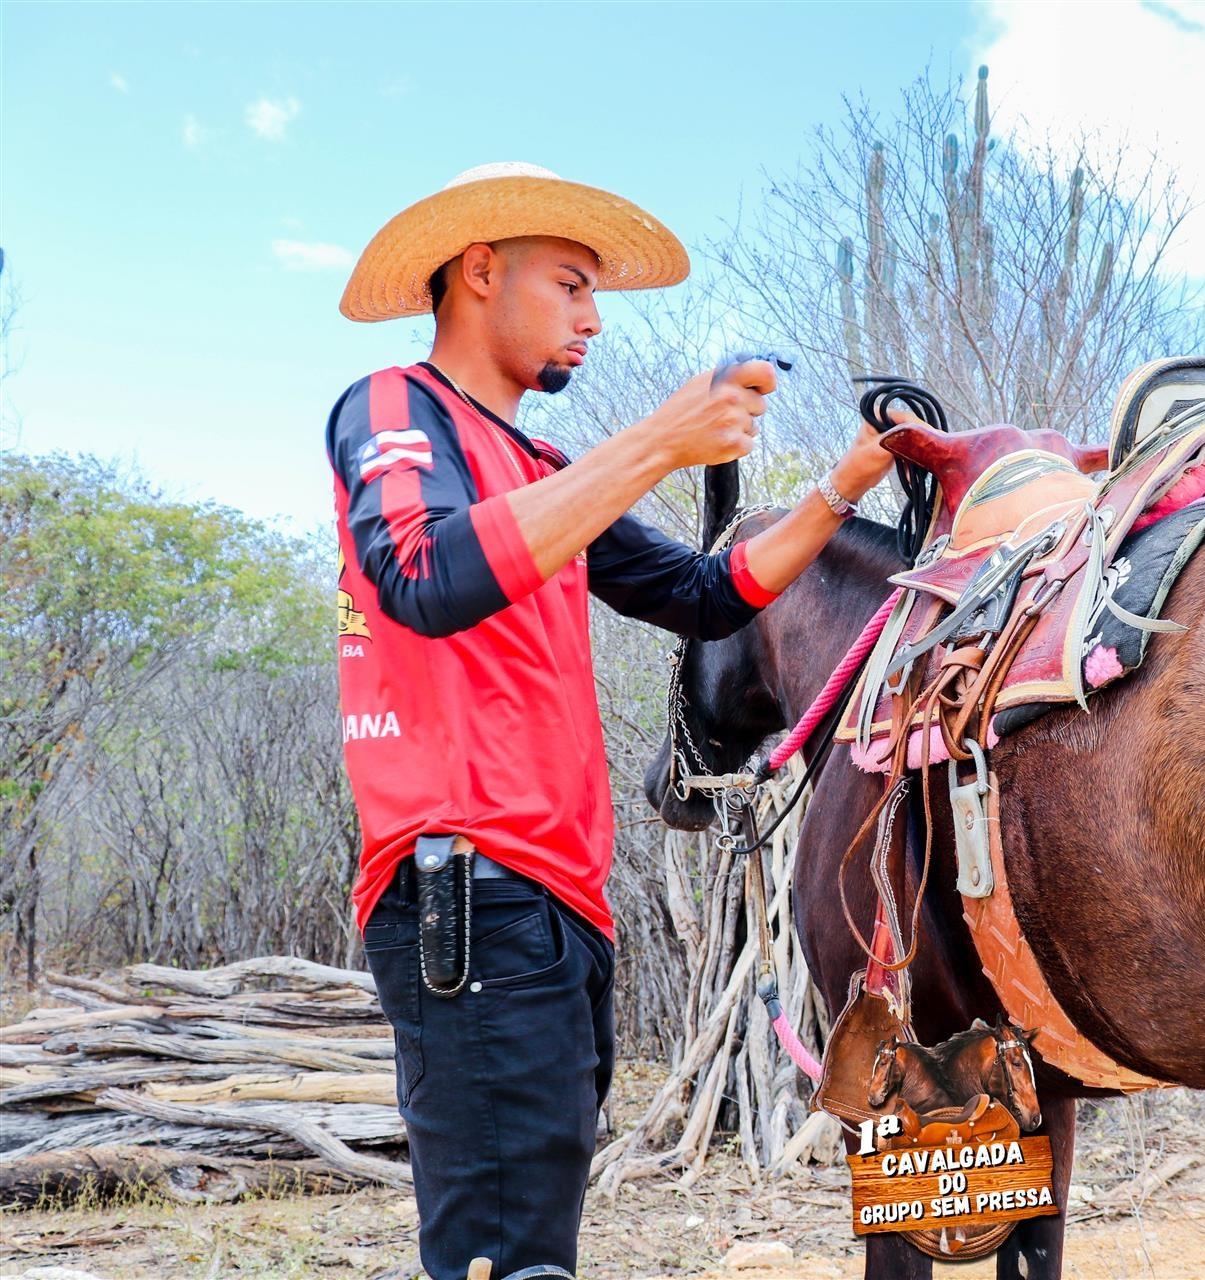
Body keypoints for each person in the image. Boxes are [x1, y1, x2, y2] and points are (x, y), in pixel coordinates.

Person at [330, 162, 895, 1280]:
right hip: (471, 887)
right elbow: (423, 573)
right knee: (506, 1256)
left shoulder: (546, 468)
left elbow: (706, 593)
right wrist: (659, 440)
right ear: (479, 270)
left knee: (534, 1240)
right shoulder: (392, 406)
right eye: (571, 284)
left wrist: (845, 483)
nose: (592, 319)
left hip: (560, 905)